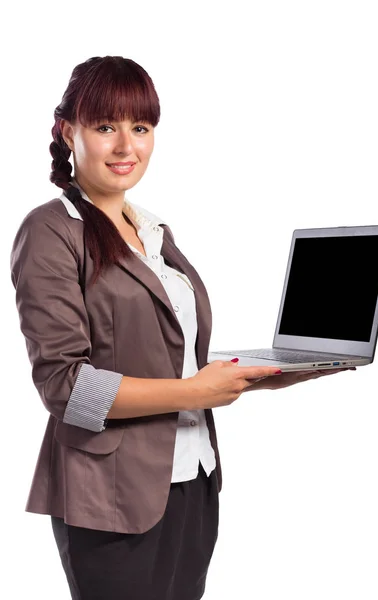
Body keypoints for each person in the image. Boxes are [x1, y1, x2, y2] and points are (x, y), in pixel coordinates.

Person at [9, 55, 350, 600]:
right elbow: (65, 387)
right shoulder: (51, 231)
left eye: (140, 128)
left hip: (194, 477)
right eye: (105, 127)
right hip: (111, 496)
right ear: (69, 131)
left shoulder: (152, 230)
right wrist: (195, 392)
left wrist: (261, 373)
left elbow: (173, 355)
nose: (127, 147)